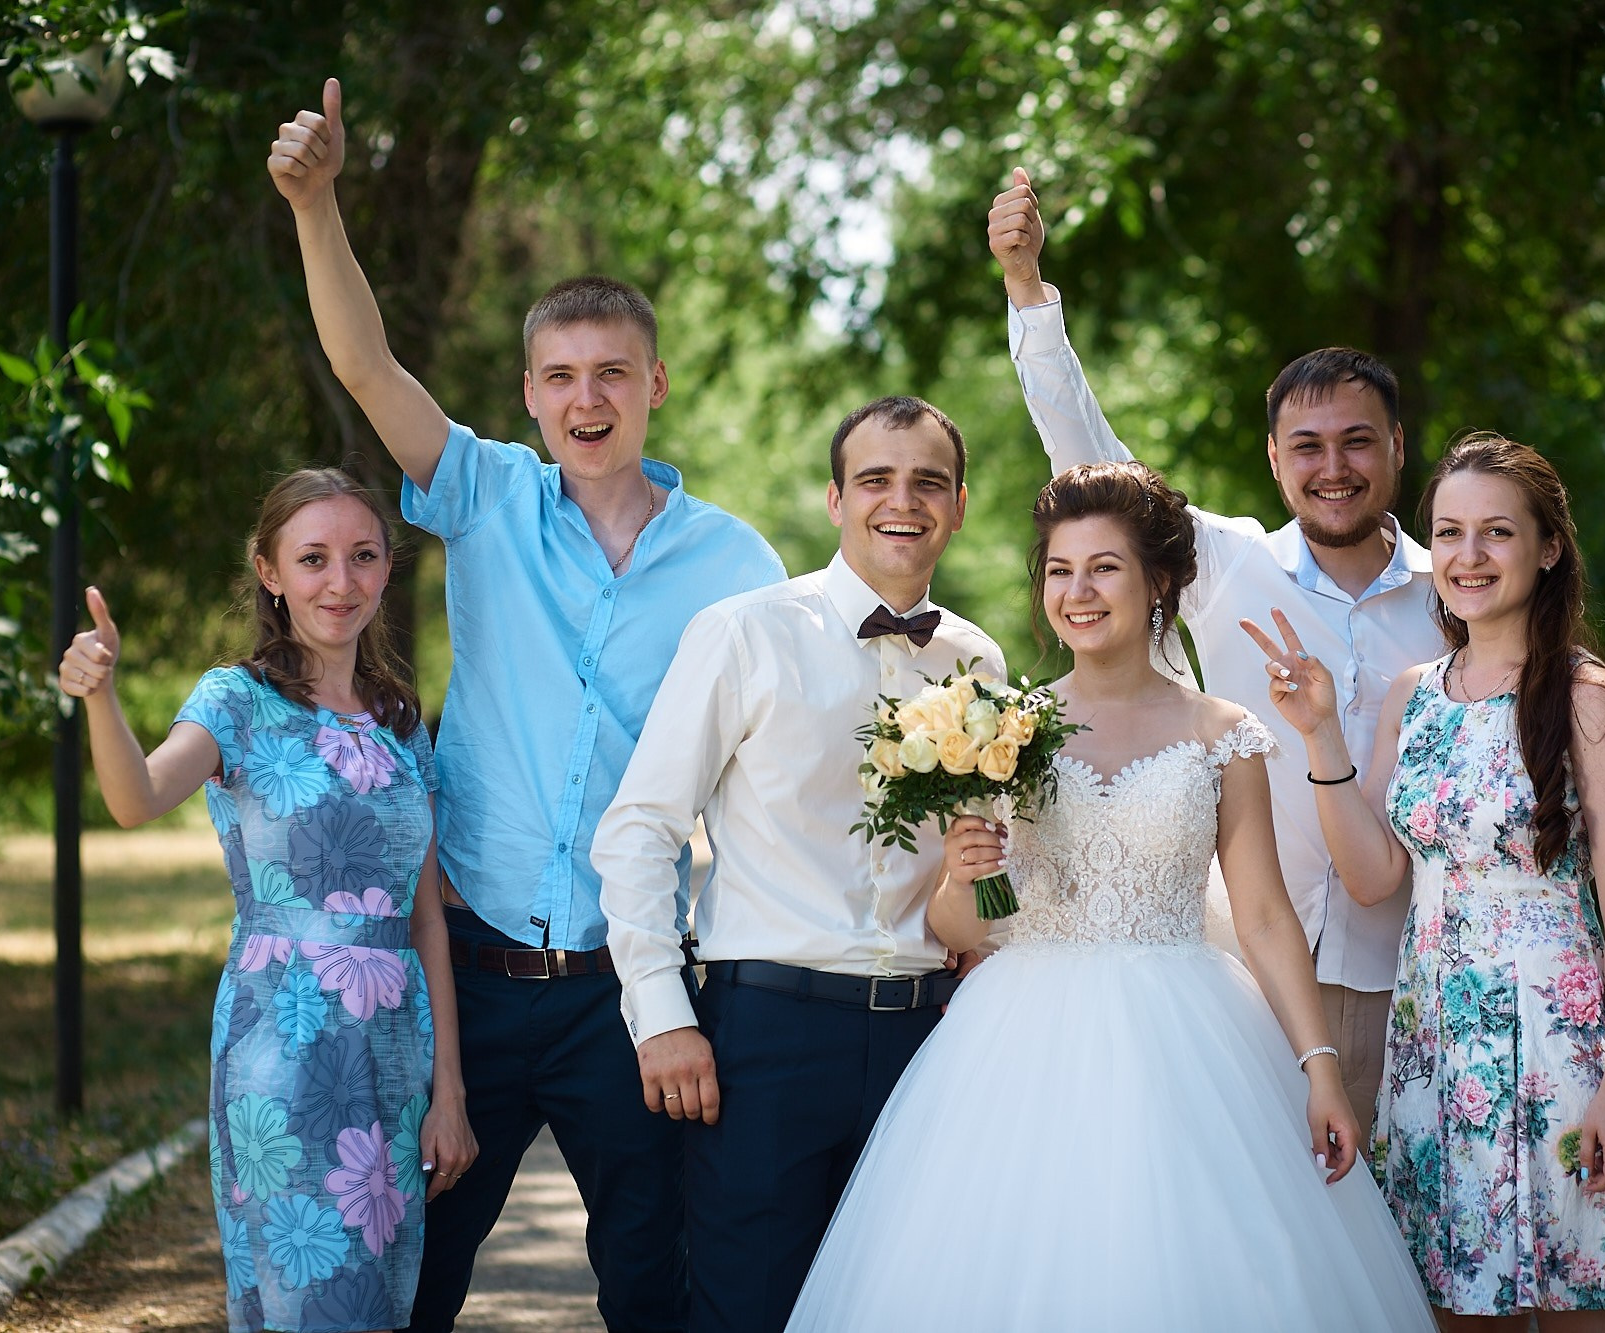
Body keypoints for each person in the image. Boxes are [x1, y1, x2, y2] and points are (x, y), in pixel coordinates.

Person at [267, 80, 786, 1332]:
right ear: (528, 393)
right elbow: (361, 359)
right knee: (414, 1281)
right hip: (471, 972)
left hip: (633, 984)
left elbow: (780, 762)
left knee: (652, 1291)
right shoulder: (483, 493)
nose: (586, 397)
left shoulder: (739, 565)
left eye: (611, 372)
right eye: (560, 376)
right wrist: (316, 202)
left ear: (653, 383)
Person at [783, 461, 1433, 1330]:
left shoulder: (1225, 734)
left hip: (1193, 1043)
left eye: (1103, 568)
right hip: (1019, 1045)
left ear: (1158, 582)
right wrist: (963, 877)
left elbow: (1267, 917)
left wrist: (1319, 1070)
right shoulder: (998, 728)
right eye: (1059, 569)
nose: (1077, 591)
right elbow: (954, 925)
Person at [988, 169, 1444, 1132]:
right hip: (1246, 987)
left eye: (1356, 442)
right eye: (1306, 445)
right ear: (1274, 459)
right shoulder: (1228, 566)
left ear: (1397, 449)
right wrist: (1029, 293)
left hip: (1421, 981)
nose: (1333, 467)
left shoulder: (1457, 594)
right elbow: (1091, 467)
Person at [1244, 434, 1605, 1324]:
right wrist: (1320, 738)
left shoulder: (1588, 699)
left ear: (1547, 547)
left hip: (1560, 1051)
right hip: (1436, 1055)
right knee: (1454, 1311)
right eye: (1449, 533)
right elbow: (1377, 874)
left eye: (1496, 533)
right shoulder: (1414, 693)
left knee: (1582, 1302)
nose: (1468, 556)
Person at [594, 396, 1004, 1333]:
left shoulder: (979, 662)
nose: (902, 501)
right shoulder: (744, 633)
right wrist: (660, 1016)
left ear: (959, 504)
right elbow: (639, 828)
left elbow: (988, 865)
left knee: (910, 1309)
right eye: (876, 480)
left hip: (928, 1042)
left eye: (928, 482)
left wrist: (992, 920)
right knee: (747, 1308)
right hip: (763, 1037)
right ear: (834, 498)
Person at [59, 470, 476, 1333]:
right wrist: (100, 695)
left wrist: (450, 1093)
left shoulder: (402, 720)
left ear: (386, 571)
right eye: (313, 558)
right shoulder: (235, 701)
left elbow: (427, 914)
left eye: (362, 557)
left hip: (394, 1048)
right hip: (283, 1050)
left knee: (381, 1302)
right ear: (270, 573)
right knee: (304, 1292)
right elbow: (135, 798)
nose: (341, 581)